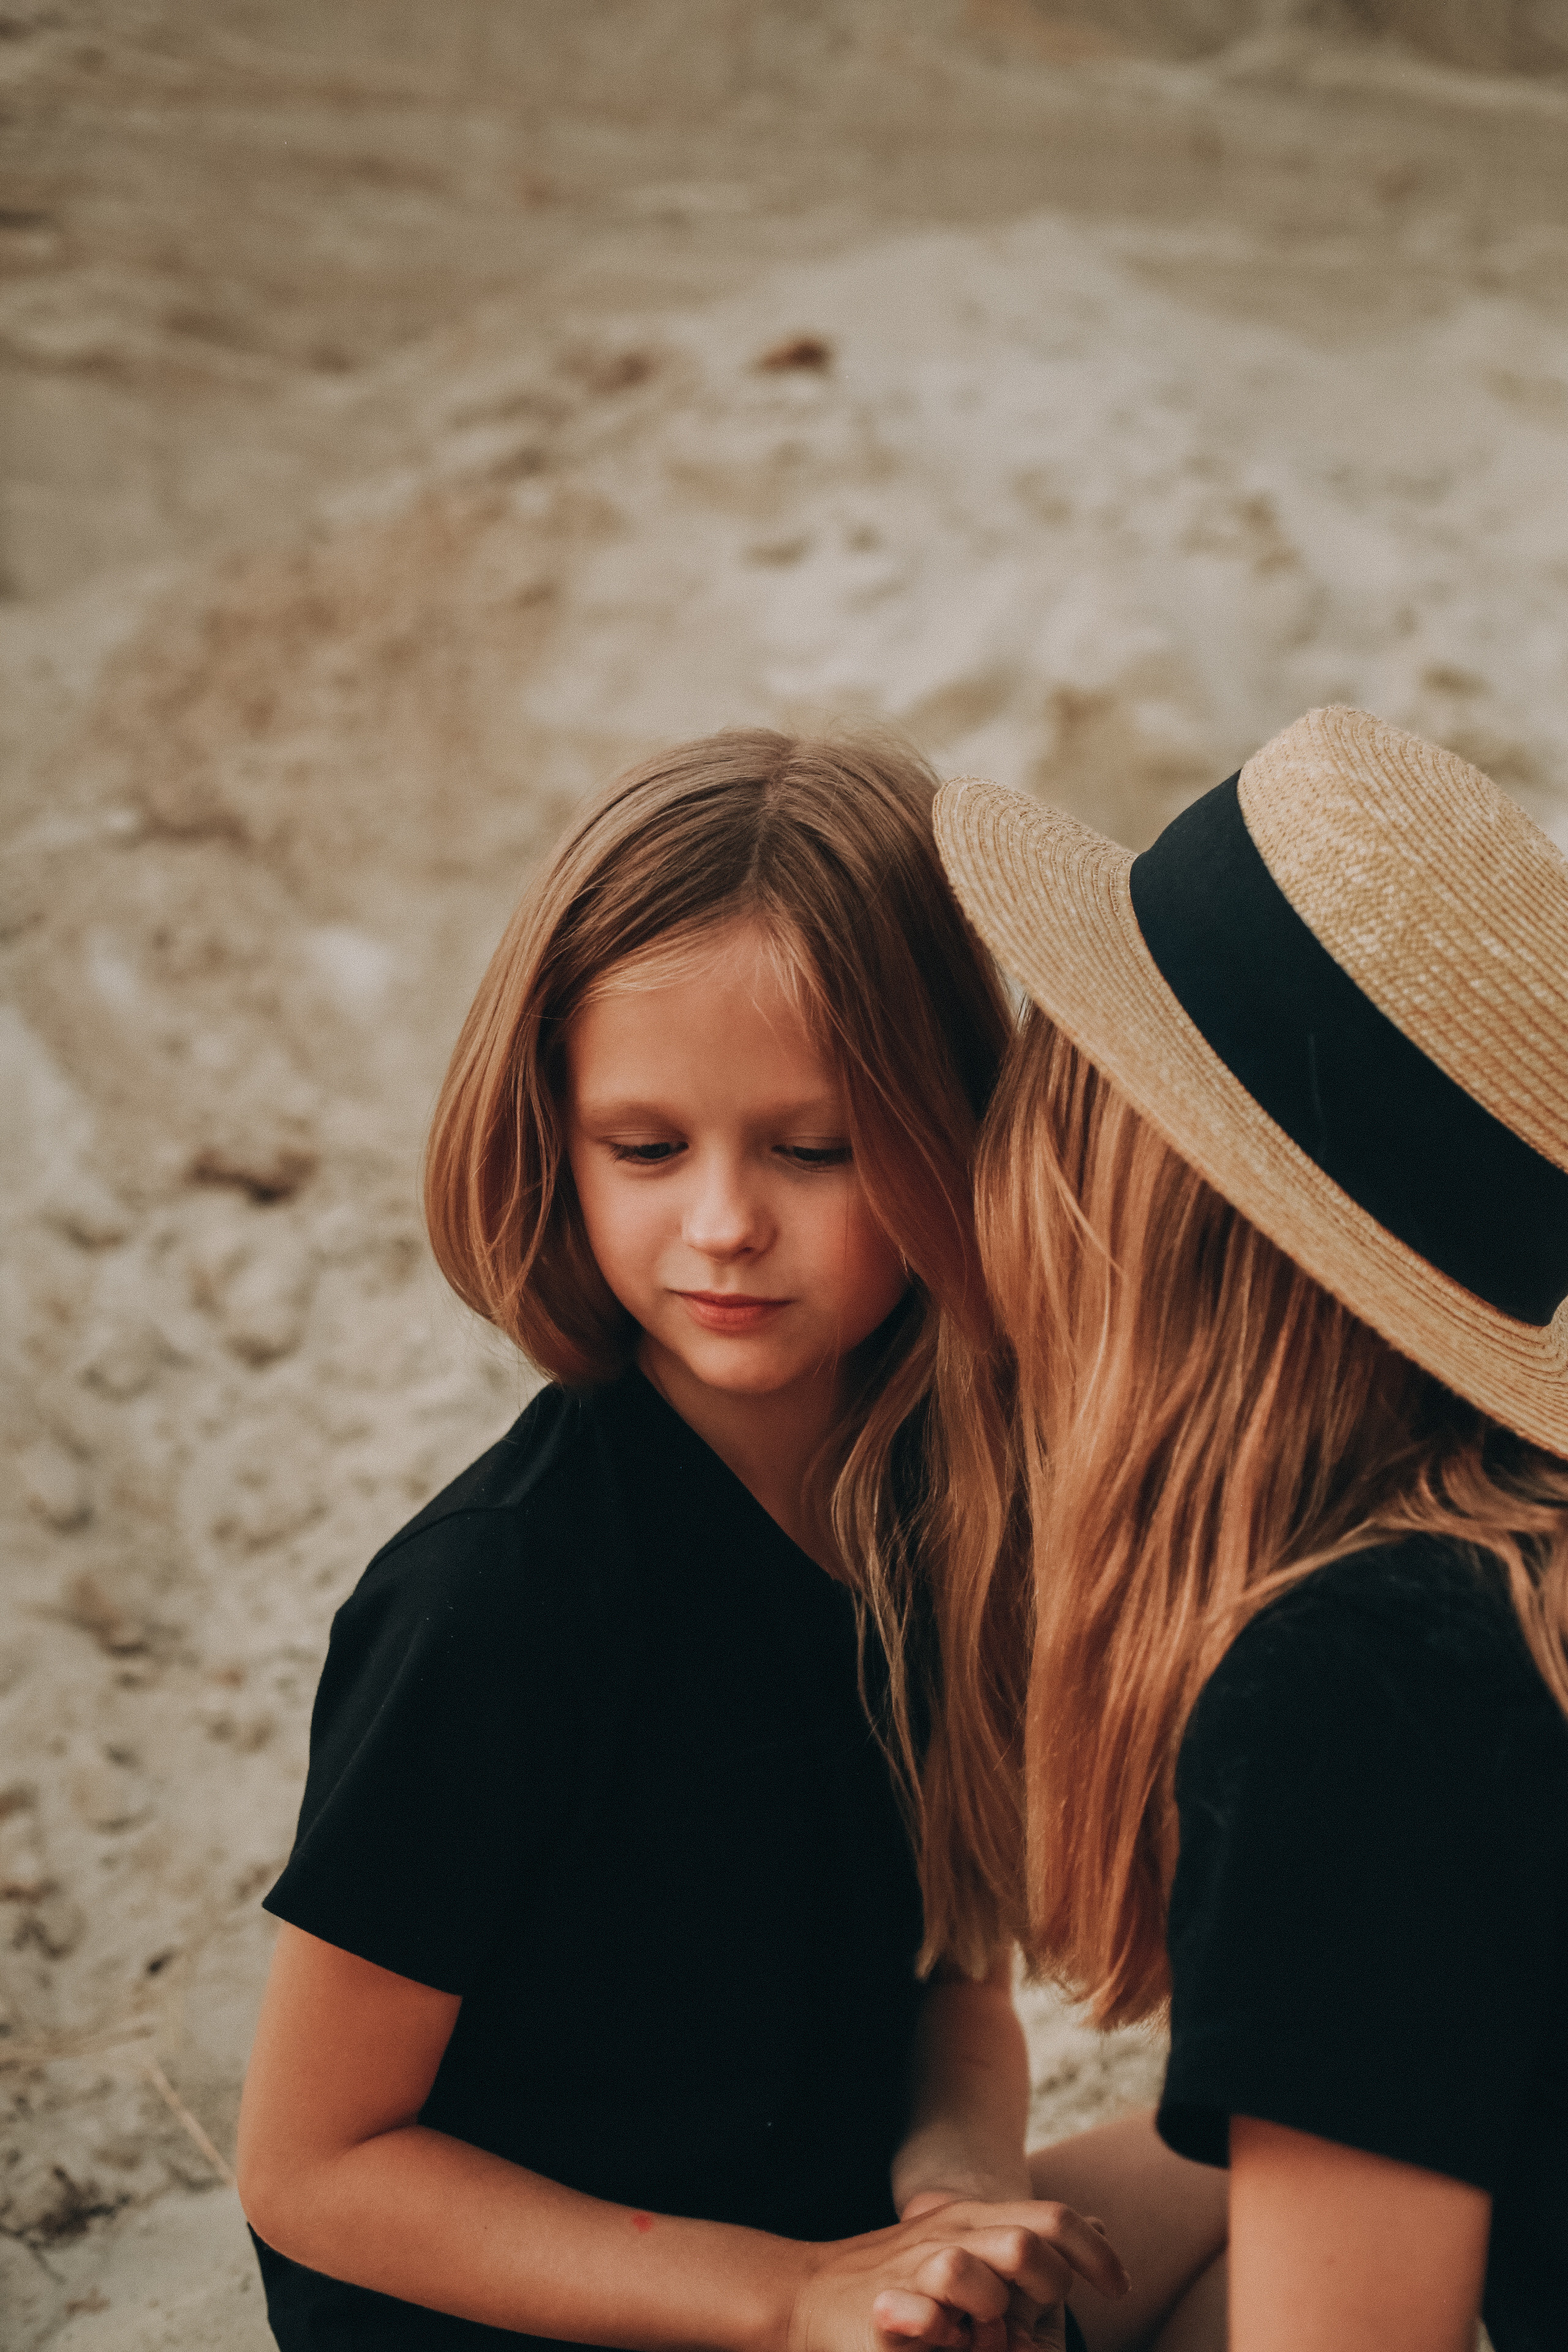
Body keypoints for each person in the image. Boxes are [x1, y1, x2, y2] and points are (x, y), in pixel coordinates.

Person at [236, 729, 1218, 2352]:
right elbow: (312, 2167)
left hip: (845, 2293)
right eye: (646, 1146)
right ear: (550, 1134)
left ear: (940, 1130)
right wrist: (789, 2294)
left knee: (1310, 2175)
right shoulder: (498, 1602)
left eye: (811, 1147)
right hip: (597, 2316)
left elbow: (950, 1978)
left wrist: (949, 2199)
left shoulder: (947, 1516)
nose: (721, 1222)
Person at [925, 703, 1568, 2351]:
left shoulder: (1363, 1690)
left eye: (1058, 1084)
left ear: (1145, 1202)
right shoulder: (1506, 1585)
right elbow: (1351, 2132)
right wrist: (878, 2267)